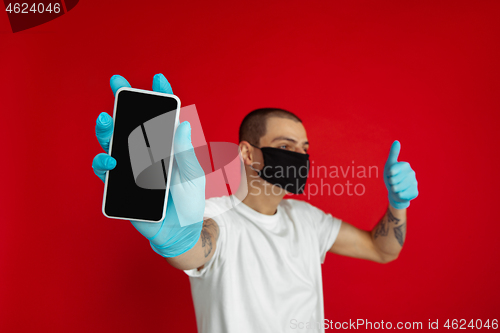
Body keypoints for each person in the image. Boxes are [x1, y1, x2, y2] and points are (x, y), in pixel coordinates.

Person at [92, 73, 418, 333]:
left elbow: (382, 249)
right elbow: (198, 247)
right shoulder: (215, 215)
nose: (301, 157)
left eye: (304, 149)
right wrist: (179, 243)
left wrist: (397, 203)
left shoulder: (307, 219)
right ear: (248, 153)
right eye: (286, 146)